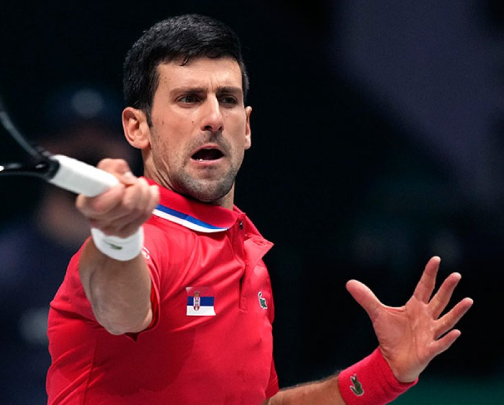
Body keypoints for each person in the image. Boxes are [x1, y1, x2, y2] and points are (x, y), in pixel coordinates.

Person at [45, 14, 474, 405]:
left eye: (228, 99)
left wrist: (384, 373)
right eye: (189, 98)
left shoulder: (246, 255)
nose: (214, 118)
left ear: (247, 127)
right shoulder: (144, 241)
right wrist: (117, 237)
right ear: (137, 127)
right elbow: (121, 311)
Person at [0, 86, 135, 405]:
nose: (88, 149)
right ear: (44, 151)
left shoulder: (162, 258)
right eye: (72, 137)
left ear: (127, 150)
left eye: (103, 138)